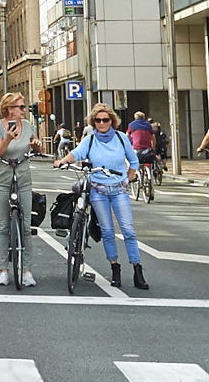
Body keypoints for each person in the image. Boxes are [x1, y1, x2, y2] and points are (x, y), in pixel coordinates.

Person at [56, 104, 149, 290]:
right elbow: (76, 154)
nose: (101, 123)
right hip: (98, 191)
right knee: (107, 232)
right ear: (93, 122)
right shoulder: (90, 141)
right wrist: (62, 161)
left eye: (105, 120)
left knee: (128, 231)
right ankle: (115, 269)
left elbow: (134, 160)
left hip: (119, 190)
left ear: (112, 121)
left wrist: (129, 176)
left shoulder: (121, 138)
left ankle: (137, 270)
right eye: (97, 120)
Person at [0, 91, 41, 287]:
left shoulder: (27, 126)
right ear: (9, 109)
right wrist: (8, 138)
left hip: (23, 177)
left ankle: (27, 271)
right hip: (2, 178)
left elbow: (37, 148)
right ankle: (3, 270)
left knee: (26, 226)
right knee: (2, 225)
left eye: (24, 106)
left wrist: (36, 145)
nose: (24, 110)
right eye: (20, 107)